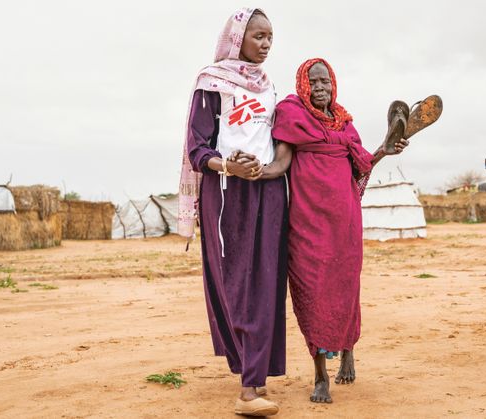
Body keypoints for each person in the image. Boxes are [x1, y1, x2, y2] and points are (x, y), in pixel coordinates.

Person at [256, 58, 409, 403]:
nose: (321, 87)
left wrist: (385, 148)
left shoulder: (345, 124)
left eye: (326, 81)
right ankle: (320, 374)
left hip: (345, 222)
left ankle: (348, 351)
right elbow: (281, 162)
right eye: (314, 82)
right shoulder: (292, 116)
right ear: (303, 85)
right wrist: (253, 172)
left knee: (344, 288)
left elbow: (361, 166)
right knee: (311, 292)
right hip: (307, 223)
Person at [178, 8, 287, 416]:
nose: (265, 44)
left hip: (270, 192)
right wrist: (230, 166)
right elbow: (197, 148)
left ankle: (252, 382)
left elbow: (279, 140)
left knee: (267, 282)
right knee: (238, 283)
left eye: (270, 37)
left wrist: (269, 169)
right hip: (227, 196)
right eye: (258, 35)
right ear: (237, 36)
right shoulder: (212, 83)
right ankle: (249, 383)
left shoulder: (269, 87)